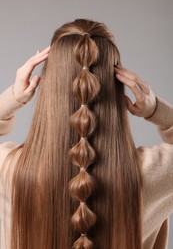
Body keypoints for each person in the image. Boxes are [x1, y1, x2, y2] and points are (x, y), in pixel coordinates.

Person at [0, 18, 172, 249]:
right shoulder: (155, 170)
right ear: (116, 84)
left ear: (49, 85)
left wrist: (14, 97)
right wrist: (156, 110)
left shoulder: (10, 169)